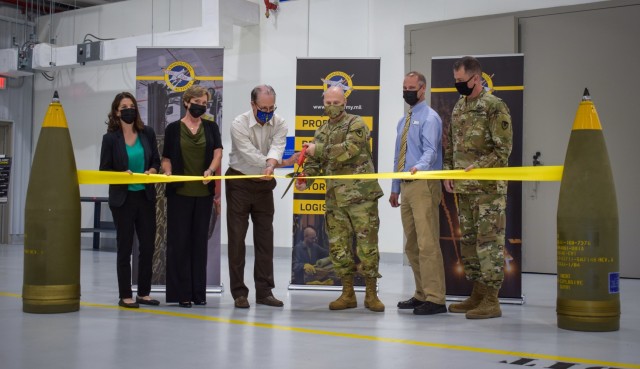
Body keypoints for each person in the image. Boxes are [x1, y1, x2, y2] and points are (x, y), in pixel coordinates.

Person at [296, 86, 385, 312]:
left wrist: (318, 150)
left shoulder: (357, 123)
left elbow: (350, 149)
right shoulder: (321, 131)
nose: (332, 107)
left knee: (367, 247)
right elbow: (316, 164)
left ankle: (372, 294)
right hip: (335, 200)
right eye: (328, 102)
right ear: (323, 103)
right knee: (338, 248)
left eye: (336, 102)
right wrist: (306, 179)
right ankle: (347, 294)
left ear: (345, 102)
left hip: (361, 197)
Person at [443, 56, 513, 319]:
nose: (457, 85)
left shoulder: (494, 106)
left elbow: (503, 149)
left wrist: (480, 166)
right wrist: (449, 172)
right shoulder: (459, 107)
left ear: (476, 78)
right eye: (456, 81)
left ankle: (492, 300)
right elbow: (451, 144)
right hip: (464, 189)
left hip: (488, 190)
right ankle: (478, 293)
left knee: (489, 242)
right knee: (470, 242)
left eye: (461, 81)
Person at [225, 85, 299, 309]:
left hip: (264, 185)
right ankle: (239, 293)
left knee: (265, 238)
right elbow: (247, 153)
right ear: (252, 105)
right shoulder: (239, 124)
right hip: (238, 181)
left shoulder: (280, 122)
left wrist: (271, 164)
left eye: (271, 107)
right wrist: (271, 164)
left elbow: (278, 146)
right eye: (263, 108)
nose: (268, 112)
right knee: (237, 239)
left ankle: (265, 291)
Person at [390, 71, 447, 315]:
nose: (407, 91)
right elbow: (397, 157)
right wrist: (394, 187)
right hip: (406, 186)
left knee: (427, 244)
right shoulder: (403, 121)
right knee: (412, 245)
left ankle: (436, 299)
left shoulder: (430, 118)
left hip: (424, 184)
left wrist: (419, 168)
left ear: (422, 89)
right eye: (404, 87)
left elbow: (431, 151)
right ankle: (421, 293)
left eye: (411, 87)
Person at [161, 85, 223, 308]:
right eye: (196, 102)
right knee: (180, 243)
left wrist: (211, 170)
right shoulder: (173, 129)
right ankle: (182, 293)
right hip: (180, 193)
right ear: (186, 102)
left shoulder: (211, 126)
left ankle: (199, 292)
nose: (200, 106)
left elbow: (218, 152)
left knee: (199, 243)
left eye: (204, 103)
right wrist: (167, 173)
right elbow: (166, 157)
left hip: (203, 193)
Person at [99, 92, 161, 308]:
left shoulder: (147, 133)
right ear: (117, 111)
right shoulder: (110, 139)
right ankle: (125, 295)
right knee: (124, 247)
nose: (129, 109)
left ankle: (144, 293)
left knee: (147, 247)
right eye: (124, 106)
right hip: (122, 200)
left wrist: (152, 169)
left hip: (145, 196)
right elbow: (103, 170)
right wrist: (119, 173)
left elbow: (156, 160)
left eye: (132, 105)